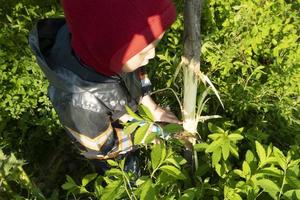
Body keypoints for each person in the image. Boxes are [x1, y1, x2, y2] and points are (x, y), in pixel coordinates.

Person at [29, 0, 179, 171]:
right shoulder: (80, 102)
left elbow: (137, 76)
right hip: (112, 148)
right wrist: (147, 135)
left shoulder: (117, 55)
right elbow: (103, 146)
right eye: (143, 51)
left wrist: (151, 106)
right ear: (104, 49)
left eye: (154, 45)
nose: (152, 55)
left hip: (123, 108)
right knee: (125, 170)